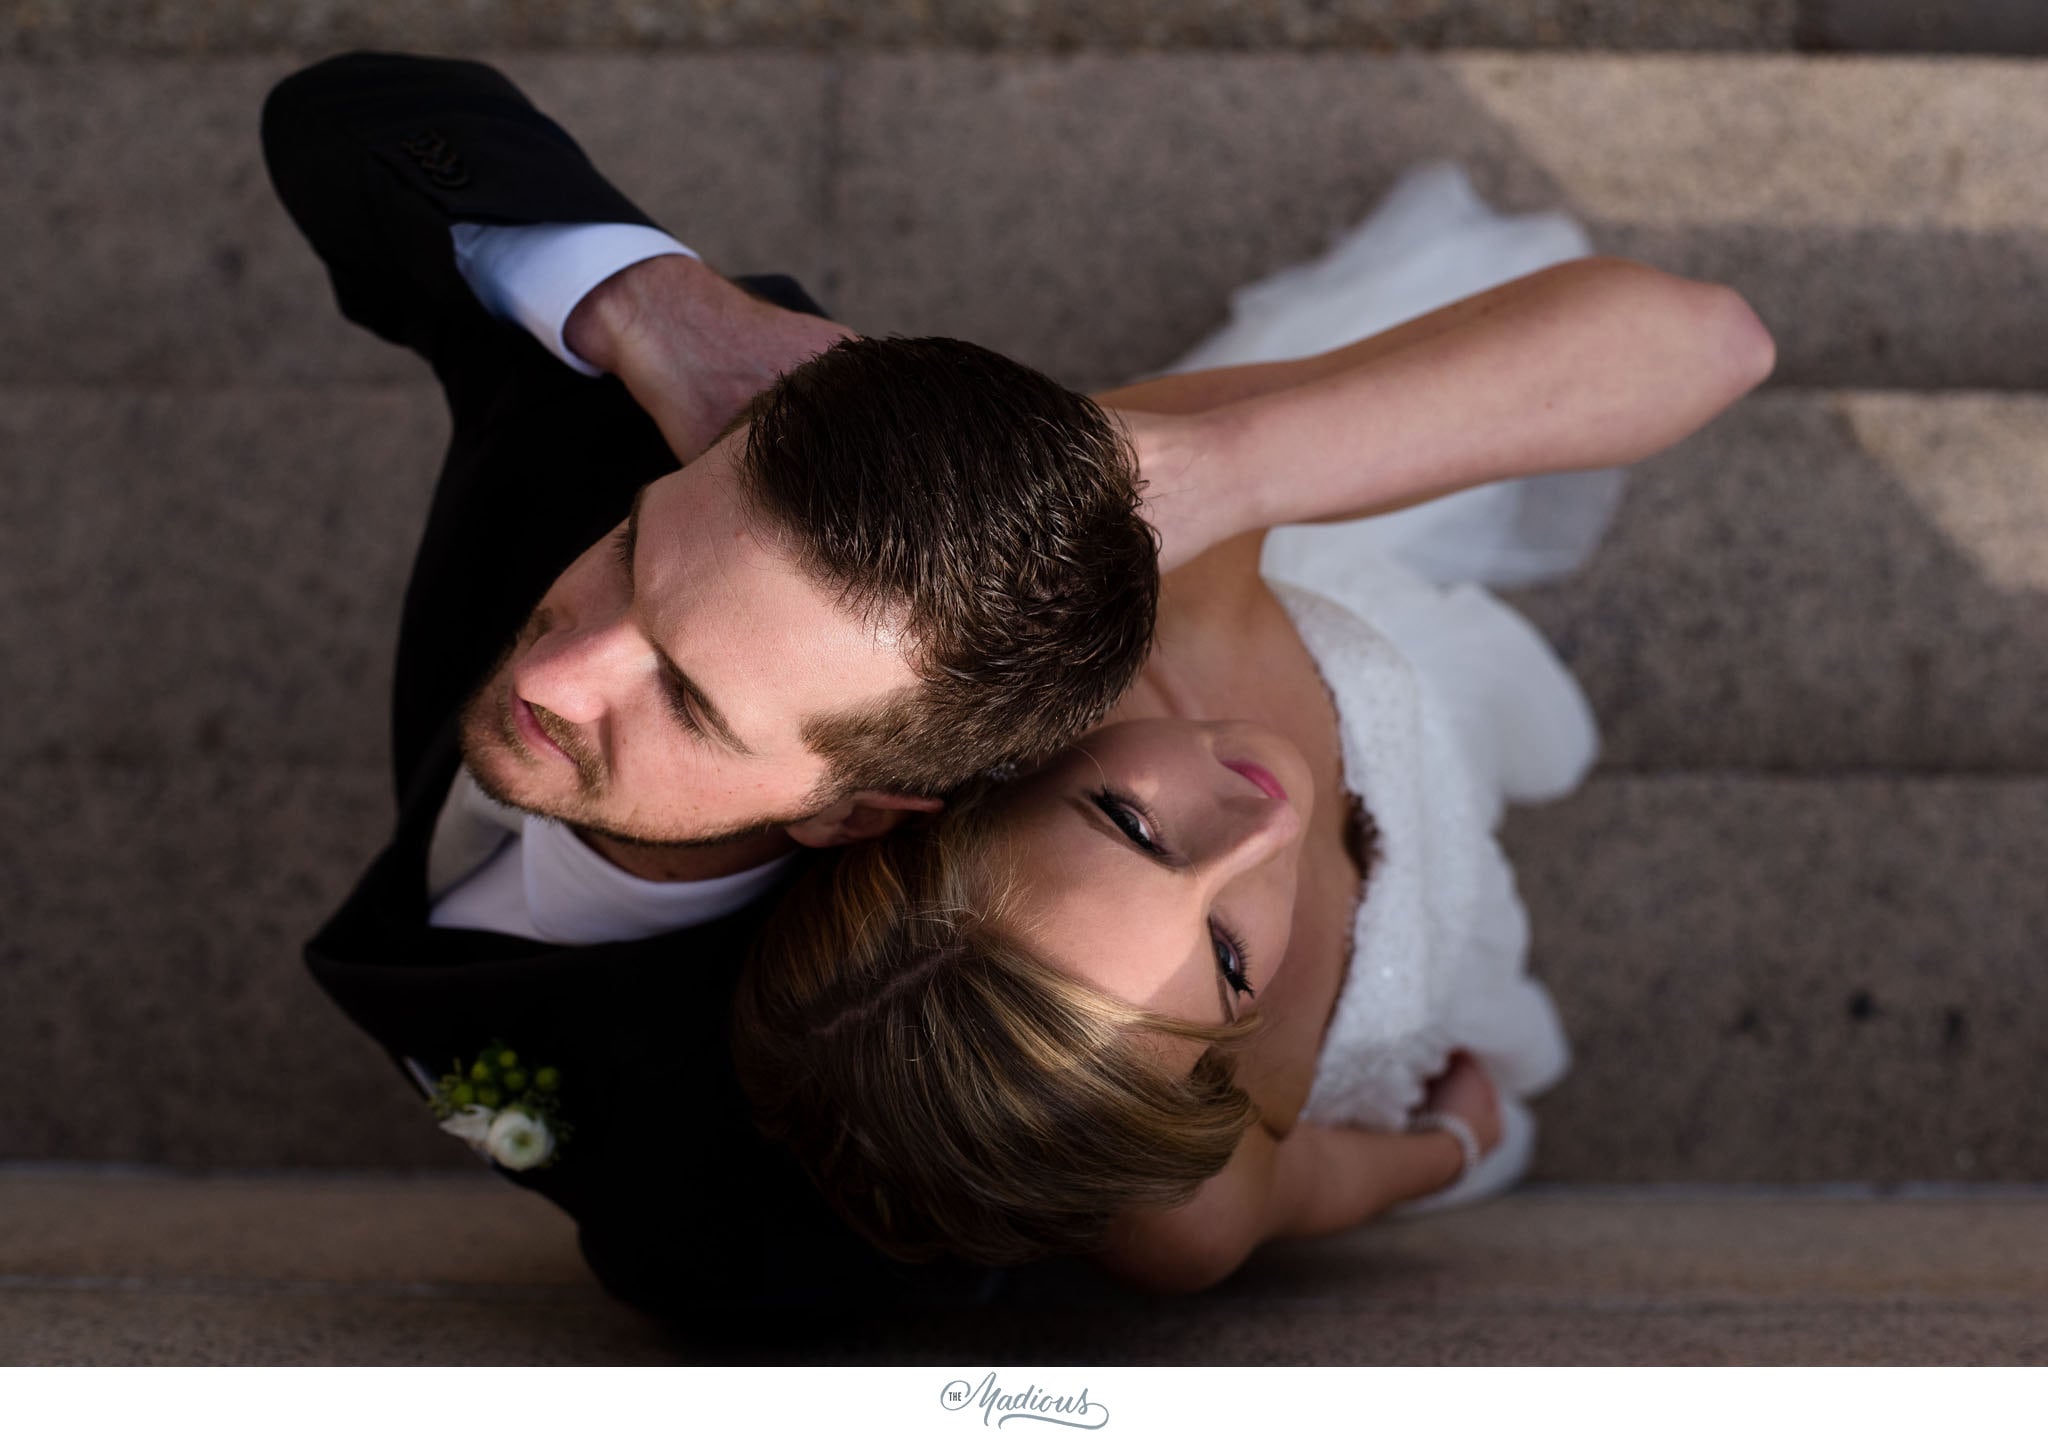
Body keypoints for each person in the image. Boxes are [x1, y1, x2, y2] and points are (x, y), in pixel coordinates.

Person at [264, 51, 1769, 1315]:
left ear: (870, 810)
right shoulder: (654, 442)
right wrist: (657, 307)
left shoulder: (982, 954)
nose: (562, 659)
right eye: (628, 557)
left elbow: (1712, 338)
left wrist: (1210, 472)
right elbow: (345, 120)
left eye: (697, 700)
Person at [732, 163, 1779, 1291]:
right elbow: (1299, 1185)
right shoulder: (1172, 1201)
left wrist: (1229, 466)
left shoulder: (1143, 559)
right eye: (1229, 964)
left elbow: (1711, 341)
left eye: (1128, 823)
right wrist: (1446, 1149)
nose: (1262, 828)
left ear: (967, 787)